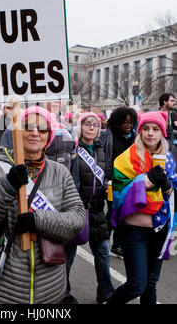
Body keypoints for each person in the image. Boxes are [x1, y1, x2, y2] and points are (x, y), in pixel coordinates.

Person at [0, 105, 86, 304]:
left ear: (48, 136)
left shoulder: (60, 172)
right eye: (27, 126)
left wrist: (37, 220)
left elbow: (77, 219)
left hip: (49, 287)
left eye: (42, 129)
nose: (34, 132)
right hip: (3, 288)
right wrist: (7, 186)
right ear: (16, 132)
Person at [108, 111, 177, 304]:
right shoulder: (125, 159)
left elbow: (172, 193)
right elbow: (119, 195)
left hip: (160, 229)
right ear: (140, 132)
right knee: (136, 285)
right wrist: (145, 181)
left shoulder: (168, 158)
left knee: (151, 284)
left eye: (155, 129)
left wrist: (168, 187)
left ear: (162, 133)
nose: (150, 133)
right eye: (146, 129)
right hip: (134, 231)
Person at [67, 112, 114, 304]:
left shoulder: (102, 149)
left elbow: (107, 172)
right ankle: (63, 293)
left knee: (102, 253)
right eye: (88, 124)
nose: (92, 127)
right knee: (67, 256)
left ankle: (106, 293)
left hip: (96, 209)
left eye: (95, 124)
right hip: (75, 209)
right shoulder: (72, 148)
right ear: (81, 127)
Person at [100, 107, 138, 258]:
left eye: (131, 122)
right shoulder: (106, 136)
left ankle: (117, 245)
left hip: (129, 182)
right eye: (124, 122)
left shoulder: (136, 137)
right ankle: (104, 240)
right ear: (117, 123)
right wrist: (104, 179)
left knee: (124, 213)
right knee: (113, 213)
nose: (128, 125)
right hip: (112, 181)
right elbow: (102, 159)